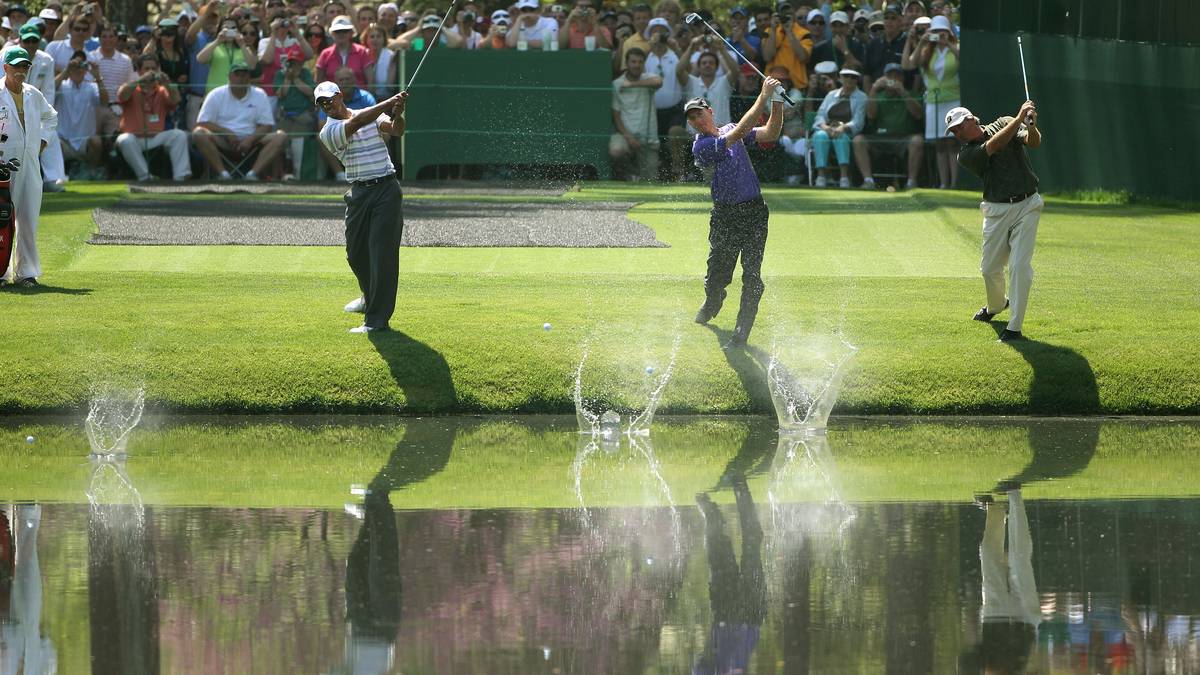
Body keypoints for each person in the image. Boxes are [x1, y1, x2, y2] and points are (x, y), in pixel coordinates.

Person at [688, 74, 784, 346]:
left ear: (710, 112)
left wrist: (777, 102)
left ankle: (742, 331)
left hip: (754, 212)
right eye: (691, 118)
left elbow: (770, 133)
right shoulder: (701, 145)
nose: (696, 120)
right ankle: (712, 301)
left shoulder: (730, 127)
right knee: (717, 272)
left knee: (752, 275)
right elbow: (740, 133)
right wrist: (763, 96)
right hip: (725, 215)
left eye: (699, 114)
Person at [315, 80, 407, 333]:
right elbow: (355, 125)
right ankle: (369, 297)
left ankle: (377, 320)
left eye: (329, 99)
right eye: (321, 103)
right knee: (356, 253)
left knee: (382, 254)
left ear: (340, 96)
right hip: (358, 192)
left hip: (386, 189)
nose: (327, 106)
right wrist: (387, 103)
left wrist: (397, 114)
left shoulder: (368, 115)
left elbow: (396, 130)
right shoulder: (328, 132)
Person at [947, 101, 1042, 342]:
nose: (957, 133)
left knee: (1020, 267)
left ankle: (1014, 327)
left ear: (972, 119)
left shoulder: (1003, 121)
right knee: (989, 269)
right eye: (954, 131)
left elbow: (1034, 142)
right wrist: (1020, 117)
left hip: (1028, 204)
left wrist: (1031, 127)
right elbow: (994, 145)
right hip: (996, 211)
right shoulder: (965, 154)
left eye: (959, 126)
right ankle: (997, 306)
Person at [0, 48, 57, 288]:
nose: (21, 72)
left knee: (28, 218)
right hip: (3, 165)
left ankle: (26, 273)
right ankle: (1, 273)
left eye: (25, 67)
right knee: (1, 219)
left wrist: (42, 142)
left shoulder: (34, 94)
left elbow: (51, 117)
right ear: (6, 68)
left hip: (31, 164)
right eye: (17, 67)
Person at [193, 62, 287, 180]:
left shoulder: (259, 94)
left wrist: (250, 139)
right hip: (223, 141)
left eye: (244, 75)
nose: (241, 78)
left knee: (280, 136)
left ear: (249, 77)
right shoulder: (216, 94)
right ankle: (223, 174)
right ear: (229, 76)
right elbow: (202, 122)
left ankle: (252, 174)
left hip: (252, 143)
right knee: (198, 133)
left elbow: (266, 126)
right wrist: (226, 132)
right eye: (237, 75)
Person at [115, 55, 189, 182]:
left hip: (156, 137)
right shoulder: (131, 87)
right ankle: (145, 177)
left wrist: (168, 84)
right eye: (146, 68)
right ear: (139, 71)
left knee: (179, 135)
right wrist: (140, 81)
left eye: (153, 68)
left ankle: (181, 176)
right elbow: (122, 95)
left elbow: (176, 100)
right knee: (124, 139)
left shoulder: (161, 90)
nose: (150, 72)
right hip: (134, 138)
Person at [853, 61, 922, 189]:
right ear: (883, 78)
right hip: (880, 137)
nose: (893, 79)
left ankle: (911, 182)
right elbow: (871, 115)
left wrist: (903, 93)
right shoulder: (877, 96)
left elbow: (918, 114)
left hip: (904, 137)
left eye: (897, 76)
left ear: (902, 78)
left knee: (917, 141)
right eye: (890, 76)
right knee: (858, 141)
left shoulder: (911, 94)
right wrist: (873, 89)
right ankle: (868, 181)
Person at [916, 14, 960, 188]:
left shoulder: (955, 47)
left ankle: (954, 183)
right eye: (936, 32)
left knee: (952, 142)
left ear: (948, 32)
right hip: (934, 100)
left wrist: (948, 43)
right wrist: (922, 41)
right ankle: (943, 183)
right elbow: (913, 63)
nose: (939, 35)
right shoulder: (928, 50)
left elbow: (963, 59)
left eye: (943, 32)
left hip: (954, 99)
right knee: (940, 145)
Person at [609, 47, 661, 181]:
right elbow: (616, 115)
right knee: (616, 150)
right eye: (633, 62)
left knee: (651, 180)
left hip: (648, 138)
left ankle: (637, 176)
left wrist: (631, 85)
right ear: (627, 63)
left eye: (640, 62)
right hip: (625, 134)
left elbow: (658, 82)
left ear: (643, 64)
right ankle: (628, 175)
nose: (637, 65)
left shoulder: (649, 78)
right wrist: (628, 137)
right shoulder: (616, 84)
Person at [810, 67, 866, 188]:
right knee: (820, 136)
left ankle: (844, 177)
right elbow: (820, 115)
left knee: (841, 138)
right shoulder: (831, 95)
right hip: (827, 128)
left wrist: (843, 128)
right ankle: (821, 176)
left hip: (847, 131)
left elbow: (858, 120)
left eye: (853, 77)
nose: (849, 79)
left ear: (857, 80)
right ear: (840, 78)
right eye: (846, 76)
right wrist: (825, 127)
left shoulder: (862, 97)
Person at [54, 49, 105, 177]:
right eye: (75, 66)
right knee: (53, 143)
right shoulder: (62, 85)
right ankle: (59, 175)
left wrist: (97, 77)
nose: (78, 69)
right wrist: (66, 70)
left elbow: (105, 102)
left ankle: (90, 173)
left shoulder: (92, 87)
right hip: (64, 140)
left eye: (82, 66)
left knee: (97, 142)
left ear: (86, 69)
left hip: (85, 141)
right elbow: (49, 90)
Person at [320, 66, 375, 180]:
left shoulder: (366, 97)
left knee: (384, 133)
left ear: (354, 80)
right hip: (338, 136)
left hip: (363, 134)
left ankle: (374, 169)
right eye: (341, 80)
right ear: (336, 83)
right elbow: (321, 125)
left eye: (347, 79)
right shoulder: (328, 100)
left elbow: (375, 118)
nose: (344, 82)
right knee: (320, 137)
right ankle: (339, 174)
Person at [676, 36, 739, 128]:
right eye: (704, 63)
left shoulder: (724, 82)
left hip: (721, 134)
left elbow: (735, 71)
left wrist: (722, 49)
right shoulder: (691, 82)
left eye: (711, 63)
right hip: (695, 135)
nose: (707, 65)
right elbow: (679, 71)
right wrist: (691, 48)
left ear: (717, 67)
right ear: (699, 66)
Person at [273, 45, 315, 179]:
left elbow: (310, 91)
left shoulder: (306, 74)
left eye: (298, 62)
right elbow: (281, 94)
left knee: (298, 145)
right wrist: (287, 78)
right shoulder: (280, 74)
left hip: (302, 116)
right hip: (285, 116)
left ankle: (299, 177)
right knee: (283, 146)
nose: (295, 65)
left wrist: (296, 79)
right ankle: (282, 175)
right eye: (292, 62)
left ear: (302, 63)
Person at [87, 25, 135, 139]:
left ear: (116, 39)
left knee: (113, 141)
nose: (107, 39)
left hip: (116, 109)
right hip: (94, 108)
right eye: (104, 36)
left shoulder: (125, 60)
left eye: (111, 36)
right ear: (99, 39)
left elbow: (130, 85)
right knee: (94, 141)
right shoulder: (91, 57)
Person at [761, 0, 813, 92]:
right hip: (772, 83)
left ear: (793, 13)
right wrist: (773, 29)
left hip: (796, 85)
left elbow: (803, 57)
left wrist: (789, 31)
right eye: (783, 13)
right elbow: (767, 57)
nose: (786, 16)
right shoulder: (769, 31)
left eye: (789, 13)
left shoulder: (804, 33)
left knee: (792, 103)